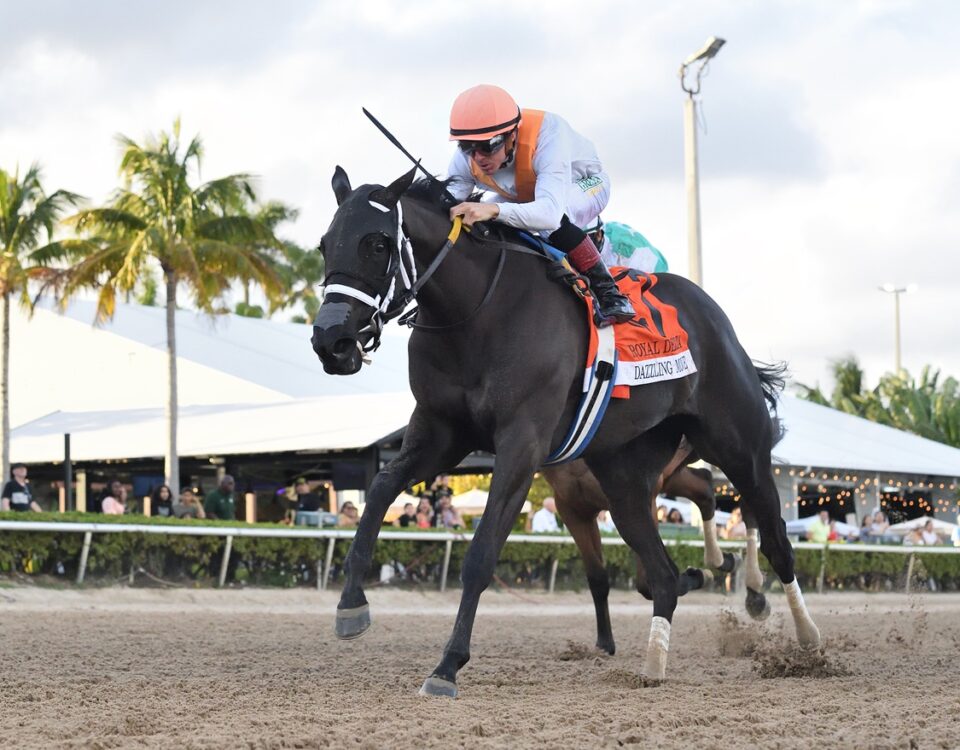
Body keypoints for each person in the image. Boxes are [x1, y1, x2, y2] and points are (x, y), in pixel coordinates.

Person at [445, 84, 634, 326]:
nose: (478, 157)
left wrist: (493, 209)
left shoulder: (548, 135)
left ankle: (610, 295)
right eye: (467, 147)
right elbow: (449, 204)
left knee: (548, 222)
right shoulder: (468, 157)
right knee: (474, 219)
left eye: (487, 146)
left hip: (583, 184)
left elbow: (549, 216)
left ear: (512, 134)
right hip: (529, 192)